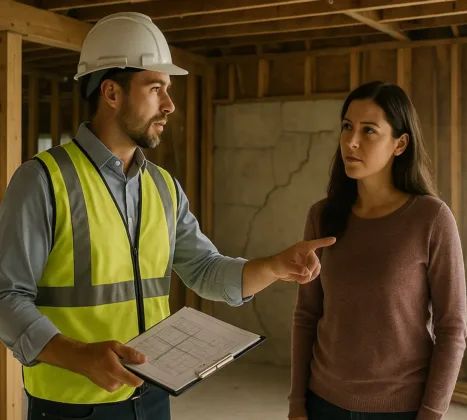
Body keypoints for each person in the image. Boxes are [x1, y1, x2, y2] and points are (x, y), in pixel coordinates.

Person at [0, 12, 335, 420]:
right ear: (111, 92)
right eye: (156, 88)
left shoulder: (163, 187)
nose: (170, 105)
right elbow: (6, 298)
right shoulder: (42, 181)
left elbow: (206, 271)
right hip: (72, 407)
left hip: (153, 400)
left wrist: (275, 267)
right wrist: (79, 356)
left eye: (168, 90)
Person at [288, 81, 467, 420]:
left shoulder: (430, 218)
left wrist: (431, 413)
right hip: (323, 402)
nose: (351, 141)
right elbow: (307, 315)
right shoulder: (322, 216)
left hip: (401, 409)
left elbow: (452, 328)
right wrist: (297, 402)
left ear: (400, 144)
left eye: (369, 130)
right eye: (346, 127)